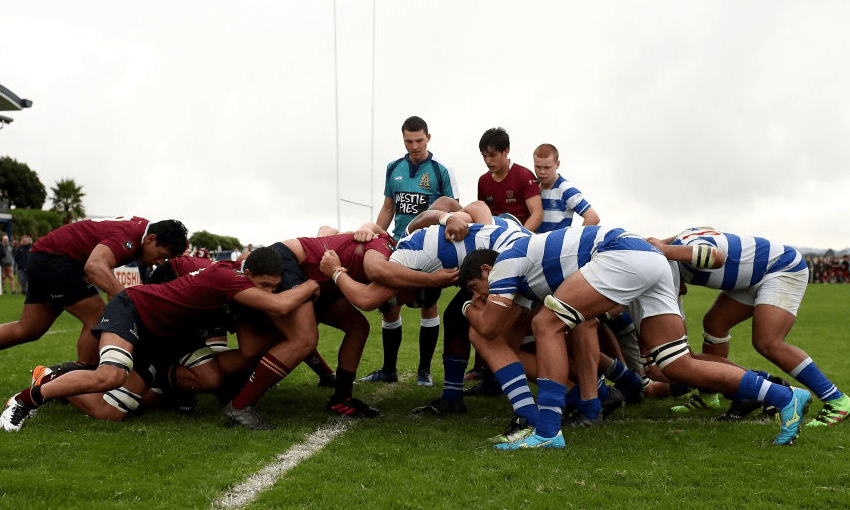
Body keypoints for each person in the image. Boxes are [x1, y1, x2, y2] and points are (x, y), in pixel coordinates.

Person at [459, 226, 811, 449]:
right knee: (677, 364)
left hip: (620, 254)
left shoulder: (505, 262)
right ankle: (783, 396)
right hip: (650, 260)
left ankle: (548, 431)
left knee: (546, 324)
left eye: (477, 288)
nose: (482, 296)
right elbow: (506, 325)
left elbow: (489, 327)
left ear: (486, 270)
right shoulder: (524, 276)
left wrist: (467, 309)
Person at [0, 247, 320, 432]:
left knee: (209, 377)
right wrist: (316, 281)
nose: (266, 293)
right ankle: (31, 395)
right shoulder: (228, 277)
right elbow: (280, 305)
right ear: (247, 274)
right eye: (263, 285)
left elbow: (251, 342)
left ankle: (158, 388)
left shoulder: (238, 283)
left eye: (272, 286)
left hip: (170, 335)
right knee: (110, 386)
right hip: (136, 313)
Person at [650, 227, 849, 428]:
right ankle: (709, 395)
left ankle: (837, 400)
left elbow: (716, 257)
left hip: (782, 268)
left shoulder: (680, 255)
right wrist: (659, 246)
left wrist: (663, 250)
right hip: (756, 274)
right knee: (715, 324)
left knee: (767, 342)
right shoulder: (676, 245)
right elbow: (666, 240)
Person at [0, 217, 189, 366]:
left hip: (45, 256)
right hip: (56, 259)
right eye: (162, 256)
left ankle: (79, 377)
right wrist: (130, 300)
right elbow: (95, 265)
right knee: (99, 319)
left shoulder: (141, 231)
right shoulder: (129, 237)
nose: (160, 262)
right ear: (151, 239)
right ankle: (81, 381)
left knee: (28, 329)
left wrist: (117, 295)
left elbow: (106, 262)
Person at [366, 116, 460, 387]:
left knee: (428, 304)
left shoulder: (441, 171)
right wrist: (377, 236)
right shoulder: (393, 168)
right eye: (409, 141)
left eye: (419, 140)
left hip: (428, 247)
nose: (415, 146)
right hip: (398, 245)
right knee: (389, 306)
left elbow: (454, 207)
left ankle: (424, 371)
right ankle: (388, 369)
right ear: (403, 140)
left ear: (428, 137)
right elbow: (388, 207)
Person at [477, 127, 543, 232]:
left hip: (523, 236)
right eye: (484, 156)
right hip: (495, 236)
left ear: (506, 151)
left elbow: (537, 214)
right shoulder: (483, 181)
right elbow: (481, 214)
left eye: (493, 155)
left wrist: (519, 238)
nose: (488, 161)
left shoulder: (524, 176)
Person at [532, 143, 600, 233]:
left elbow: (593, 217)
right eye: (538, 167)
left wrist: (575, 241)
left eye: (547, 167)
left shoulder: (566, 190)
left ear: (557, 164)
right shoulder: (530, 186)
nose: (542, 172)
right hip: (532, 245)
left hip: (555, 246)